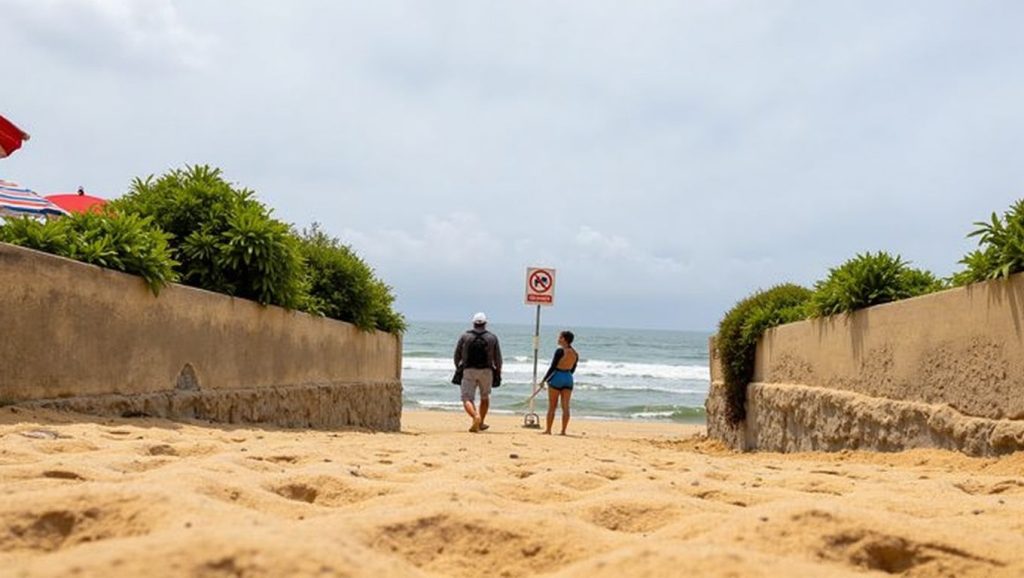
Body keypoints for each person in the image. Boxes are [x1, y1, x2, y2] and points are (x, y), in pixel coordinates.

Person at [453, 312, 502, 433]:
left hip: (469, 370)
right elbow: (498, 358)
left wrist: (458, 368)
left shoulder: (465, 336)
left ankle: (475, 416)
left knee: (467, 398)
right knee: (484, 397)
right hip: (487, 370)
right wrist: (498, 372)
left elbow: (456, 355)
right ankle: (481, 422)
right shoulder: (492, 337)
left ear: (473, 323)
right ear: (485, 323)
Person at [542, 330, 578, 435]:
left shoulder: (560, 351)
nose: (558, 339)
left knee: (552, 406)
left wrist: (544, 380)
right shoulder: (575, 353)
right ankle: (563, 431)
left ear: (564, 339)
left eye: (560, 337)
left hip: (557, 376)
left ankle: (548, 430)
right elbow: (573, 369)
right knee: (566, 406)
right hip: (568, 378)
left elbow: (553, 367)